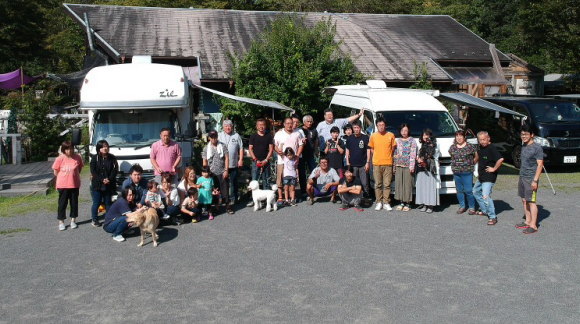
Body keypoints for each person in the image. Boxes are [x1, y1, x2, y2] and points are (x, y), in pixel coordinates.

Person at [515, 124, 544, 234]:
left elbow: (540, 165)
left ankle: (533, 225)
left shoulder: (537, 148)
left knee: (531, 201)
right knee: (524, 200)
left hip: (531, 179)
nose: (523, 136)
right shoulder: (524, 145)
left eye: (526, 134)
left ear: (532, 135)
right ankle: (527, 221)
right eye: (522, 134)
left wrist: (535, 180)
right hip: (522, 176)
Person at [472, 131, 504, 225]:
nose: (482, 141)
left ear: (488, 138)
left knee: (485, 196)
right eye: (480, 140)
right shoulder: (480, 148)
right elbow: (478, 156)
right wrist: (473, 162)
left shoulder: (492, 148)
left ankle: (493, 217)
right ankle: (484, 210)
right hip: (481, 176)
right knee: (475, 192)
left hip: (489, 177)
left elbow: (500, 159)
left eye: (484, 139)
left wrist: (494, 169)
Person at [52, 141, 84, 231]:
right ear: (63, 150)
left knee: (74, 203)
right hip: (62, 185)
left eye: (71, 148)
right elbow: (56, 172)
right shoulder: (59, 158)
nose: (69, 150)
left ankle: (73, 220)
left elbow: (79, 168)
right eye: (67, 149)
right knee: (62, 204)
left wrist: (74, 176)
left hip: (74, 184)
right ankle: (61, 222)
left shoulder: (77, 157)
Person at [368, 117, 396, 211]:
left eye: (383, 125)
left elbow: (393, 148)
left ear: (385, 125)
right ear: (376, 126)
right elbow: (371, 148)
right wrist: (376, 156)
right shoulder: (373, 136)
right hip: (377, 163)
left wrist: (387, 156)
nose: (381, 127)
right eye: (379, 125)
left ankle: (386, 202)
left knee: (387, 184)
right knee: (378, 184)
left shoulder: (391, 135)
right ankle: (379, 202)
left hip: (388, 163)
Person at [274, 117, 303, 207]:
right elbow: (274, 144)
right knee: (280, 179)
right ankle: (280, 197)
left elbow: (301, 145)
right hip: (281, 160)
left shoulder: (297, 133)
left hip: (293, 161)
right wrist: (277, 150)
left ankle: (292, 198)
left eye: (291, 123)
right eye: (287, 123)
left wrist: (297, 155)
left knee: (292, 179)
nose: (289, 125)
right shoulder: (279, 133)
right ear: (284, 124)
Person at [202, 130, 233, 214]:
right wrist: (205, 173)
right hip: (211, 173)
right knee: (214, 190)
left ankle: (228, 206)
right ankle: (216, 207)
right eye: (212, 137)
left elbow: (226, 158)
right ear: (209, 138)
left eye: (215, 137)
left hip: (222, 171)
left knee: (225, 189)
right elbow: (204, 161)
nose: (213, 139)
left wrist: (226, 170)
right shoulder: (206, 148)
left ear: (217, 137)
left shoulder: (222, 146)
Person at [89, 139, 118, 227]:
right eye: (102, 147)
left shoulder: (112, 157)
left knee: (108, 202)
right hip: (97, 184)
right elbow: (93, 172)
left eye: (106, 146)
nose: (105, 148)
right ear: (99, 148)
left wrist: (109, 179)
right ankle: (94, 219)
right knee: (96, 203)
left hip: (109, 184)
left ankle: (108, 219)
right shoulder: (95, 158)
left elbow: (115, 169)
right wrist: (102, 179)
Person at [449, 130, 478, 215]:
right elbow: (452, 156)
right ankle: (462, 206)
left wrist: (472, 163)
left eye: (460, 136)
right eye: (457, 136)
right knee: (459, 190)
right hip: (456, 172)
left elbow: (476, 156)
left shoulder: (470, 146)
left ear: (464, 137)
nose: (459, 137)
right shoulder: (452, 147)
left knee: (468, 190)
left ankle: (472, 207)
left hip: (467, 172)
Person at [248, 118, 274, 206]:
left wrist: (266, 160)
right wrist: (255, 160)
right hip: (256, 161)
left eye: (262, 125)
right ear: (256, 126)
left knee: (266, 180)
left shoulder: (269, 136)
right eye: (259, 125)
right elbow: (250, 149)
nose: (261, 127)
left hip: (266, 161)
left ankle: (267, 201)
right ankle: (254, 200)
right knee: (255, 181)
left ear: (265, 126)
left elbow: (271, 149)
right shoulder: (253, 136)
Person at [218, 120, 244, 205]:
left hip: (233, 163)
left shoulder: (236, 135)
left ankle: (234, 198)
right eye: (226, 126)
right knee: (223, 182)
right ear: (223, 127)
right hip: (222, 164)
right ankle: (224, 198)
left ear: (232, 127)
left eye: (229, 126)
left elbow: (241, 148)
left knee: (234, 182)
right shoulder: (219, 135)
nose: (228, 127)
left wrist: (240, 159)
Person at [415, 129, 440, 213]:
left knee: (430, 186)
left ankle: (430, 205)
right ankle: (424, 203)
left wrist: (424, 158)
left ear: (430, 136)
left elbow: (434, 154)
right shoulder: (421, 144)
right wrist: (418, 159)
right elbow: (417, 155)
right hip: (421, 168)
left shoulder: (434, 144)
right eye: (424, 135)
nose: (425, 137)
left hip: (430, 168)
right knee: (422, 186)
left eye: (427, 135)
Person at [393, 124, 417, 212]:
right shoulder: (398, 140)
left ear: (408, 131)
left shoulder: (412, 141)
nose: (404, 132)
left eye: (406, 130)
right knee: (399, 184)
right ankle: (401, 202)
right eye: (402, 130)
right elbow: (395, 153)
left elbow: (413, 154)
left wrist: (412, 166)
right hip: (399, 165)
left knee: (407, 184)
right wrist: (394, 166)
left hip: (408, 166)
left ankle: (408, 203)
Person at [345, 120, 371, 197]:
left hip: (363, 164)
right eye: (354, 127)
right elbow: (347, 150)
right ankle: (354, 197)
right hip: (353, 164)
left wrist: (367, 162)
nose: (356, 129)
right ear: (352, 128)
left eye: (357, 127)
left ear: (360, 128)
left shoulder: (365, 137)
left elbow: (368, 150)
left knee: (364, 182)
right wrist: (347, 162)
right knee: (354, 181)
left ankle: (366, 196)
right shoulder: (349, 138)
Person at [298, 115, 318, 198]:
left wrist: (316, 150)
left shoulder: (314, 130)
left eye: (311, 121)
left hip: (310, 154)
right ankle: (303, 191)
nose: (309, 123)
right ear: (304, 122)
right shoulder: (299, 130)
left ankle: (314, 189)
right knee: (302, 173)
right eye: (308, 121)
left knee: (313, 172)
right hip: (301, 154)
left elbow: (316, 140)